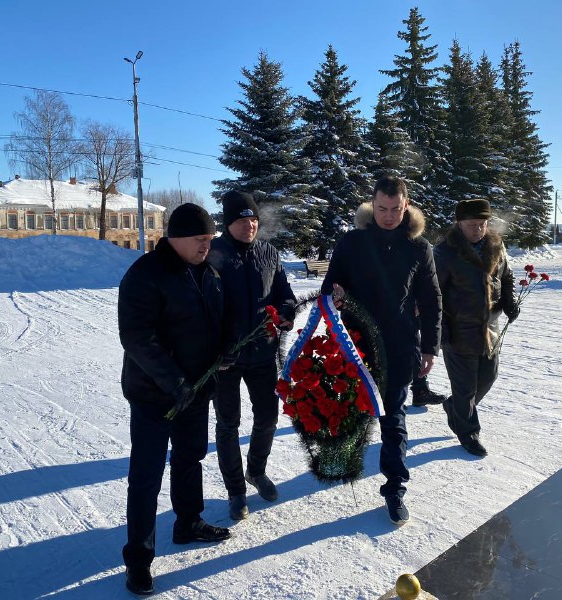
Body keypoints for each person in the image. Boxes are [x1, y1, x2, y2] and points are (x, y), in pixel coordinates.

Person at [118, 203, 231, 596]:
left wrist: (224, 354)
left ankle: (188, 522)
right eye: (201, 239)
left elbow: (215, 326)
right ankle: (138, 561)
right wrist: (174, 382)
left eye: (210, 238)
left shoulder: (209, 274)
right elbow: (137, 337)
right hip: (155, 396)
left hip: (195, 391)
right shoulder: (145, 275)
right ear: (176, 238)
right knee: (146, 477)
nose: (208, 245)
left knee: (190, 458)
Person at [321, 176, 442, 525]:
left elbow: (431, 300)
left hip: (399, 345)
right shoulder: (353, 242)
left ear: (406, 206)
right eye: (382, 209)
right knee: (351, 413)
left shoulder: (418, 247)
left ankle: (395, 487)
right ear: (372, 206)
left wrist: (430, 347)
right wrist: (337, 295)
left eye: (395, 209)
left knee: (394, 420)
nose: (388, 216)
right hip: (355, 344)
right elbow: (331, 284)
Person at [208, 190, 296, 521]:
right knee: (228, 424)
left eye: (254, 220)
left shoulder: (269, 254)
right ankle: (235, 491)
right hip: (226, 359)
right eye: (243, 220)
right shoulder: (213, 254)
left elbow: (285, 294)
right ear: (230, 223)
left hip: (262, 354)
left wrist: (286, 312)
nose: (250, 225)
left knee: (268, 419)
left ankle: (255, 471)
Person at [434, 198, 518, 458]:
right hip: (457, 330)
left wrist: (508, 300)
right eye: (473, 225)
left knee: (489, 376)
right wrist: (440, 330)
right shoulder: (445, 252)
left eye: (482, 224)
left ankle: (455, 408)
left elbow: (506, 276)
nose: (479, 229)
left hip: (489, 329)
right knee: (465, 387)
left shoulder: (496, 245)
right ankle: (468, 432)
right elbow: (432, 293)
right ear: (459, 224)